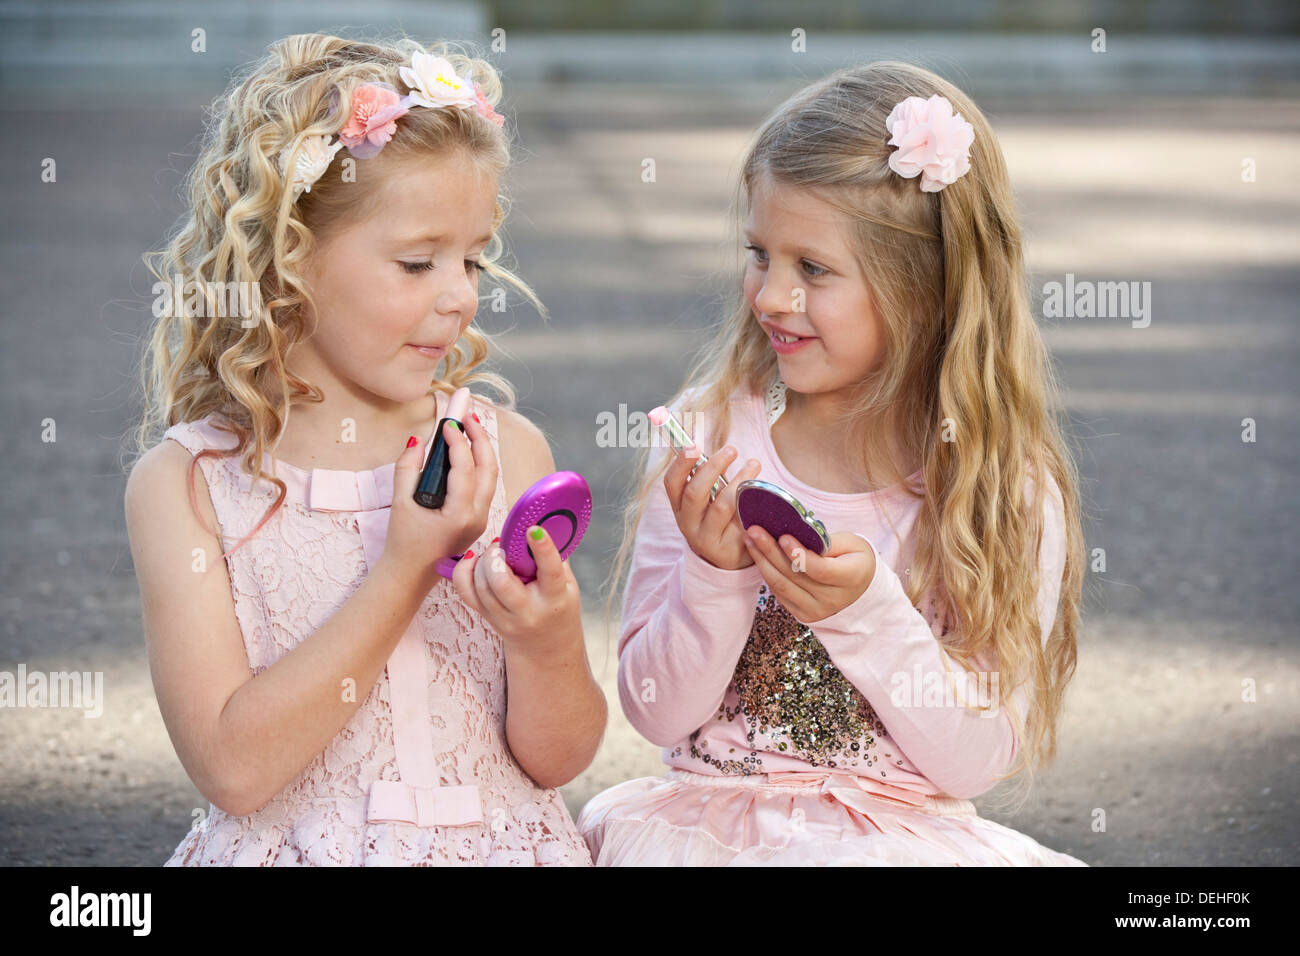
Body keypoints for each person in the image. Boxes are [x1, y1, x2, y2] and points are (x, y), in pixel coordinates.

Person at [579, 61, 1087, 865]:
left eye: (813, 269)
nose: (771, 297)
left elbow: (975, 756)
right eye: (759, 254)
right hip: (702, 829)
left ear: (924, 286)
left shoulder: (1000, 486)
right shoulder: (706, 432)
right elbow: (655, 713)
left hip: (897, 841)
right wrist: (713, 576)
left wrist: (867, 616)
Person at [123, 34, 603, 866]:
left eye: (473, 259)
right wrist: (403, 566)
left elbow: (557, 760)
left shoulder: (503, 452)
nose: (459, 296)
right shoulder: (190, 485)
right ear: (288, 260)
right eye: (417, 263)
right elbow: (234, 770)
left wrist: (547, 640)